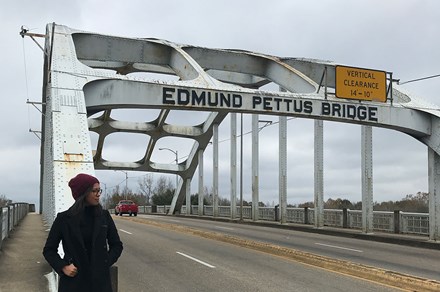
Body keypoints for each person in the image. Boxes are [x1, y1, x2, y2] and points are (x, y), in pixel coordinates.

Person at [43, 173, 123, 292]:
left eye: (99, 190)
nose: (98, 195)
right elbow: (49, 250)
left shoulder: (104, 216)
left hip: (100, 284)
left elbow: (117, 245)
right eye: (94, 191)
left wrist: (104, 263)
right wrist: (63, 266)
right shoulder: (64, 219)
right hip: (73, 283)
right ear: (83, 193)